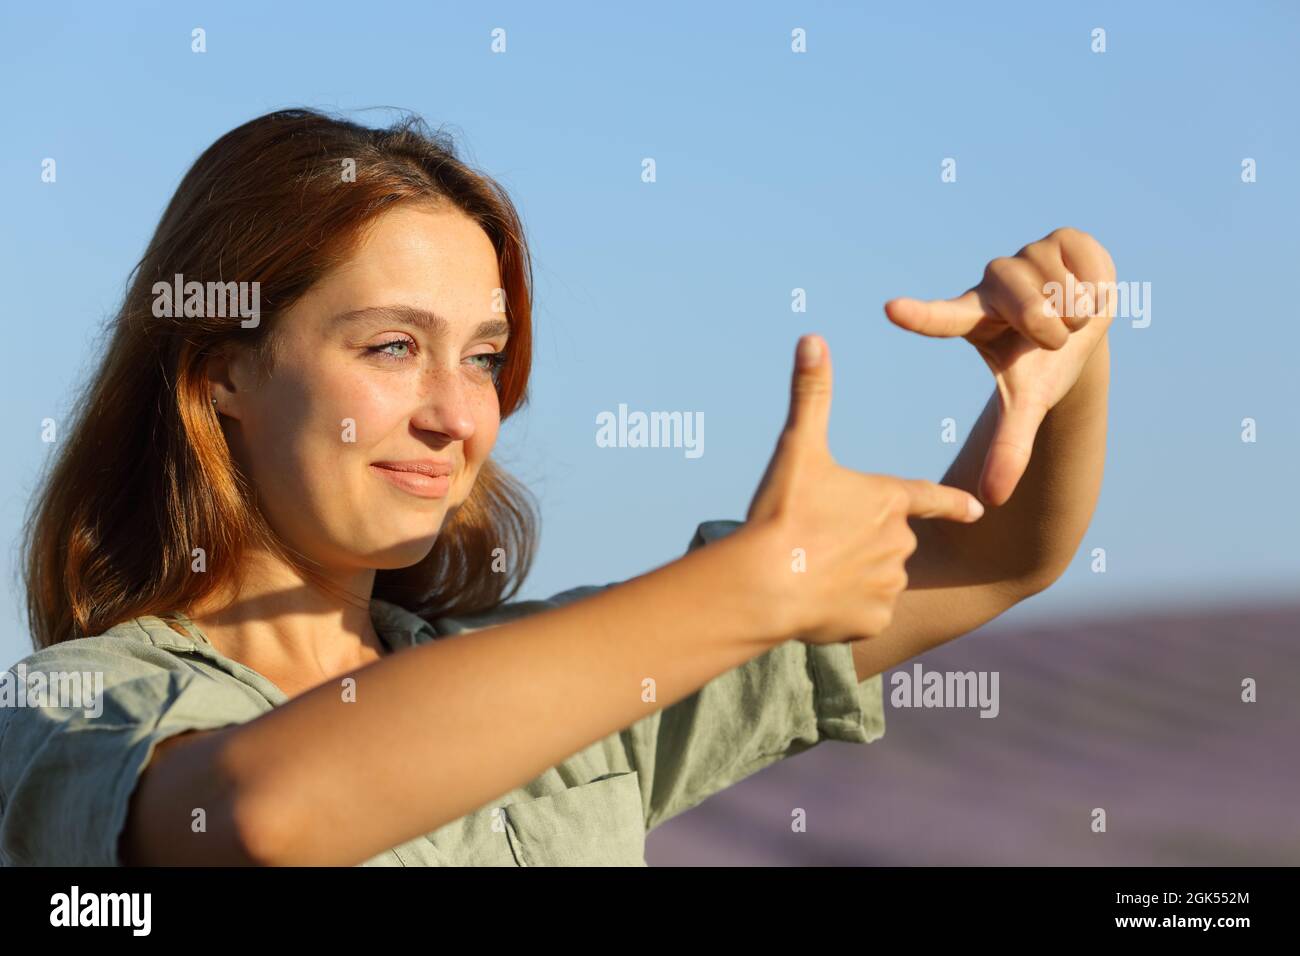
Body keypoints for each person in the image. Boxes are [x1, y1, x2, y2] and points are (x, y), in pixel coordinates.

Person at [0, 108, 1112, 866]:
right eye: (392, 345)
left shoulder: (574, 686)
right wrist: (745, 589)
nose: (457, 412)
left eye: (483, 355)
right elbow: (263, 810)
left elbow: (988, 557)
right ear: (223, 369)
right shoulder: (64, 710)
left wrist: (1065, 355)